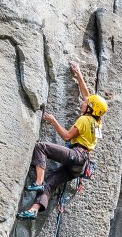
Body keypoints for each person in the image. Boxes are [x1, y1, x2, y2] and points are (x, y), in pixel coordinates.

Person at [17, 61, 108, 219]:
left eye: (85, 104)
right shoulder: (97, 121)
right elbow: (88, 97)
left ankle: (38, 182)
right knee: (51, 182)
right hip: (80, 166)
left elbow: (66, 136)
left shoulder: (84, 120)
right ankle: (33, 210)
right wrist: (78, 74)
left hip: (76, 155)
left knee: (41, 147)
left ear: (90, 108)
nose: (82, 103)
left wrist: (53, 121)